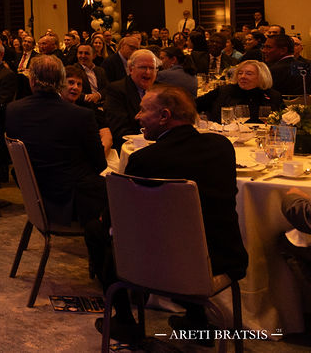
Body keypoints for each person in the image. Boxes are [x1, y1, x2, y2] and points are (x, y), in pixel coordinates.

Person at [96, 86, 248, 342]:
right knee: (189, 234)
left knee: (100, 231)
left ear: (164, 116)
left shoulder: (146, 159)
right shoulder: (222, 147)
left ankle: (124, 321)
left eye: (143, 110)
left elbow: (120, 220)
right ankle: (196, 321)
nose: (137, 117)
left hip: (164, 266)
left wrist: (105, 220)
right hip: (223, 259)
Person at [5, 55, 106, 226]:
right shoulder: (81, 115)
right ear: (61, 82)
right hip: (71, 202)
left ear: (32, 81)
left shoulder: (13, 109)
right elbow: (100, 164)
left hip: (34, 195)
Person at [196, 59, 283, 123]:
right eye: (240, 73)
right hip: (226, 137)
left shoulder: (272, 96)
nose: (243, 77)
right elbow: (194, 105)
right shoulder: (224, 91)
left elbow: (283, 120)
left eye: (249, 74)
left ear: (262, 77)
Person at [103, 48, 157, 148]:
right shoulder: (116, 90)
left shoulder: (160, 90)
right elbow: (120, 130)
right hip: (135, 146)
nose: (148, 72)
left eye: (152, 68)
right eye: (143, 67)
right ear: (131, 69)